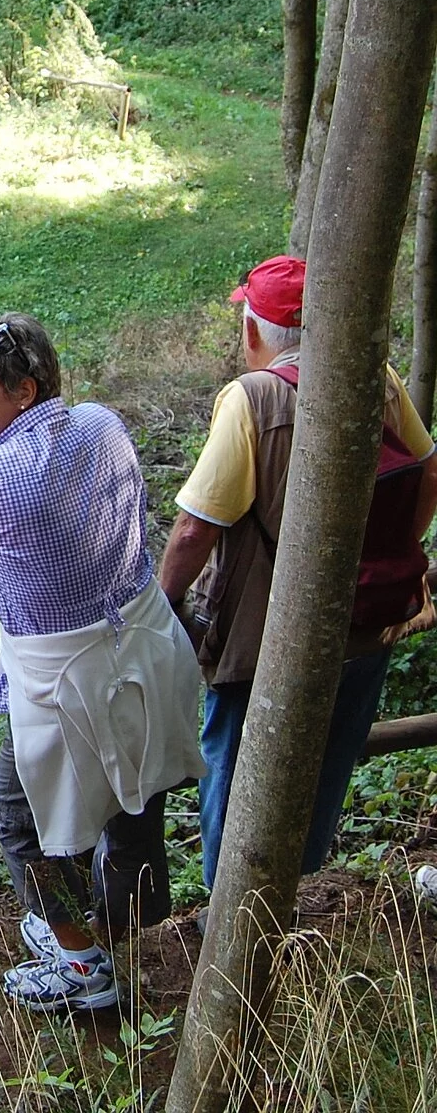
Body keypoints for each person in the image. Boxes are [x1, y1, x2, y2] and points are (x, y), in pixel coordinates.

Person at [0, 314, 205, 1013]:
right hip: (148, 647)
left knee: (16, 816)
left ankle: (82, 963)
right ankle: (128, 916)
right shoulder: (103, 423)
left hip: (64, 679)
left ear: (24, 390)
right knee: (137, 787)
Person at [158, 256, 437, 900]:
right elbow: (428, 470)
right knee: (330, 754)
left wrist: (164, 601)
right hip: (368, 621)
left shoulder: (251, 398)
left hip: (265, 637)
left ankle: (230, 908)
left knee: (234, 760)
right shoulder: (377, 377)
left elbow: (196, 528)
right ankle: (288, 886)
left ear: (254, 330)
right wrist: (393, 550)